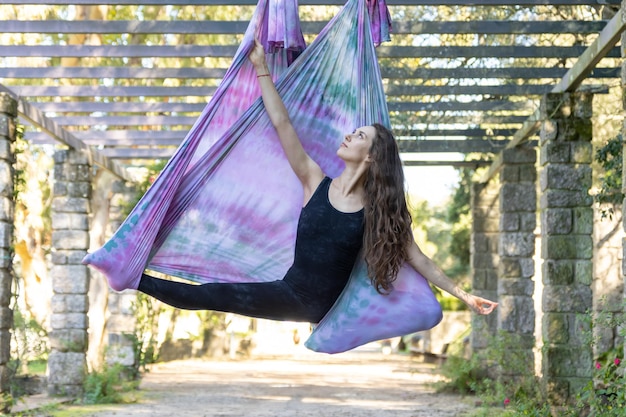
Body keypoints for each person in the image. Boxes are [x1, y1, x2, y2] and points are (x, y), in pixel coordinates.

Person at [130, 39, 498, 324]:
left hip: (317, 305)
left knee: (211, 296)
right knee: (211, 295)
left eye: (358, 136)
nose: (348, 136)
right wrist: (261, 69)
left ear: (370, 156)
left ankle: (131, 277)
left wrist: (463, 295)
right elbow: (282, 125)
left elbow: (419, 258)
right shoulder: (315, 181)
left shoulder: (377, 213)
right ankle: (130, 275)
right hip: (287, 292)